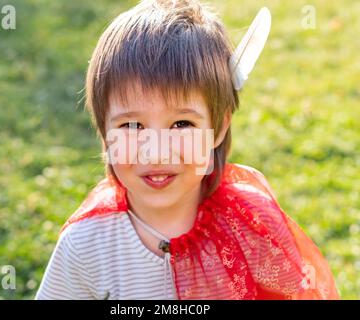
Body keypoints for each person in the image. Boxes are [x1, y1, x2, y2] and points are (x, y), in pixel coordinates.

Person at [35, 0, 339, 300]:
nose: (155, 153)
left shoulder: (250, 225)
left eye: (181, 124)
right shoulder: (86, 244)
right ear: (104, 131)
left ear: (218, 128)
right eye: (131, 126)